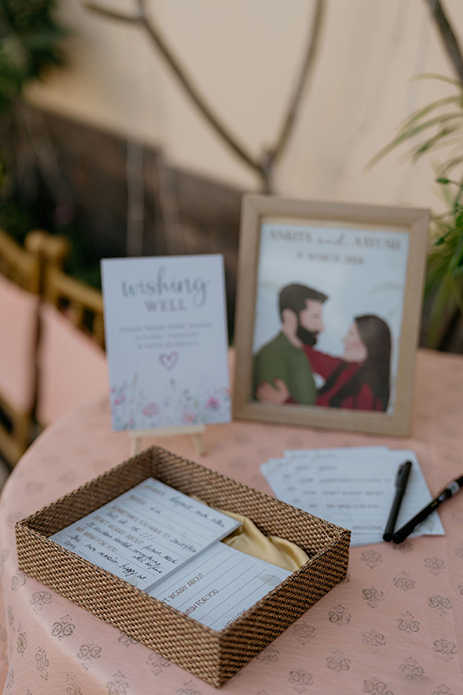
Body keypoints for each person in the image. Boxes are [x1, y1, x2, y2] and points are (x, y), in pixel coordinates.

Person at [256, 314, 391, 412]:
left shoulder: (366, 394)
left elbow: (330, 425)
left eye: (351, 335)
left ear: (370, 344)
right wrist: (291, 334)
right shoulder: (349, 368)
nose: (344, 340)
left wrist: (285, 403)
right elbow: (316, 358)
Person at [253, 284, 328, 406]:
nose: (321, 327)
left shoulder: (302, 352)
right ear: (289, 317)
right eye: (315, 317)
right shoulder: (272, 356)